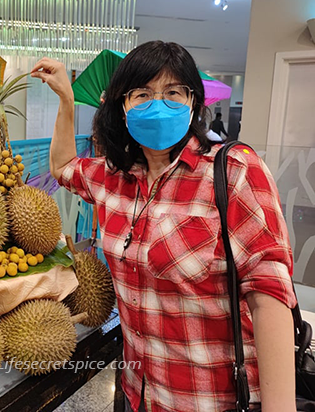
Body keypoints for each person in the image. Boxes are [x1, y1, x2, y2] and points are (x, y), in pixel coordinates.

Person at [32, 41, 297, 412]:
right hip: (139, 393)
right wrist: (66, 99)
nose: (157, 104)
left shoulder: (234, 171)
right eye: (142, 94)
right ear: (122, 108)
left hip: (211, 400)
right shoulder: (114, 177)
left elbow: (270, 294)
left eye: (173, 92)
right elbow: (63, 168)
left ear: (193, 103)